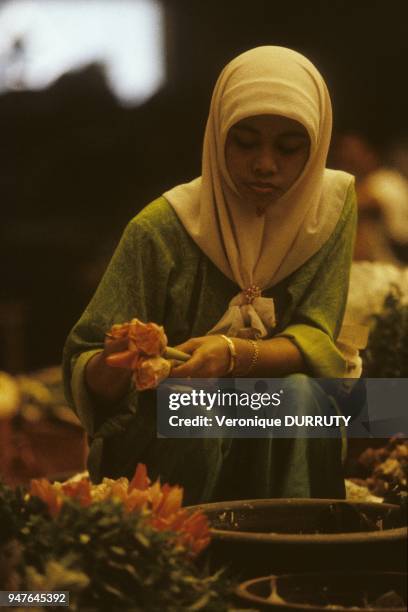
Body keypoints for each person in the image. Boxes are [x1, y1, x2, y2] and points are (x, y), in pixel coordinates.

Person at [63, 46, 357, 504]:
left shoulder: (328, 210)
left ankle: (297, 553)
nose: (264, 164)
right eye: (245, 142)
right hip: (171, 437)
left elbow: (318, 336)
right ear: (217, 136)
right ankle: (199, 561)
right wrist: (117, 361)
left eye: (288, 148)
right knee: (198, 409)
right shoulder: (161, 229)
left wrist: (232, 354)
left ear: (316, 147)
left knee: (307, 399)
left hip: (276, 417)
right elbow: (88, 369)